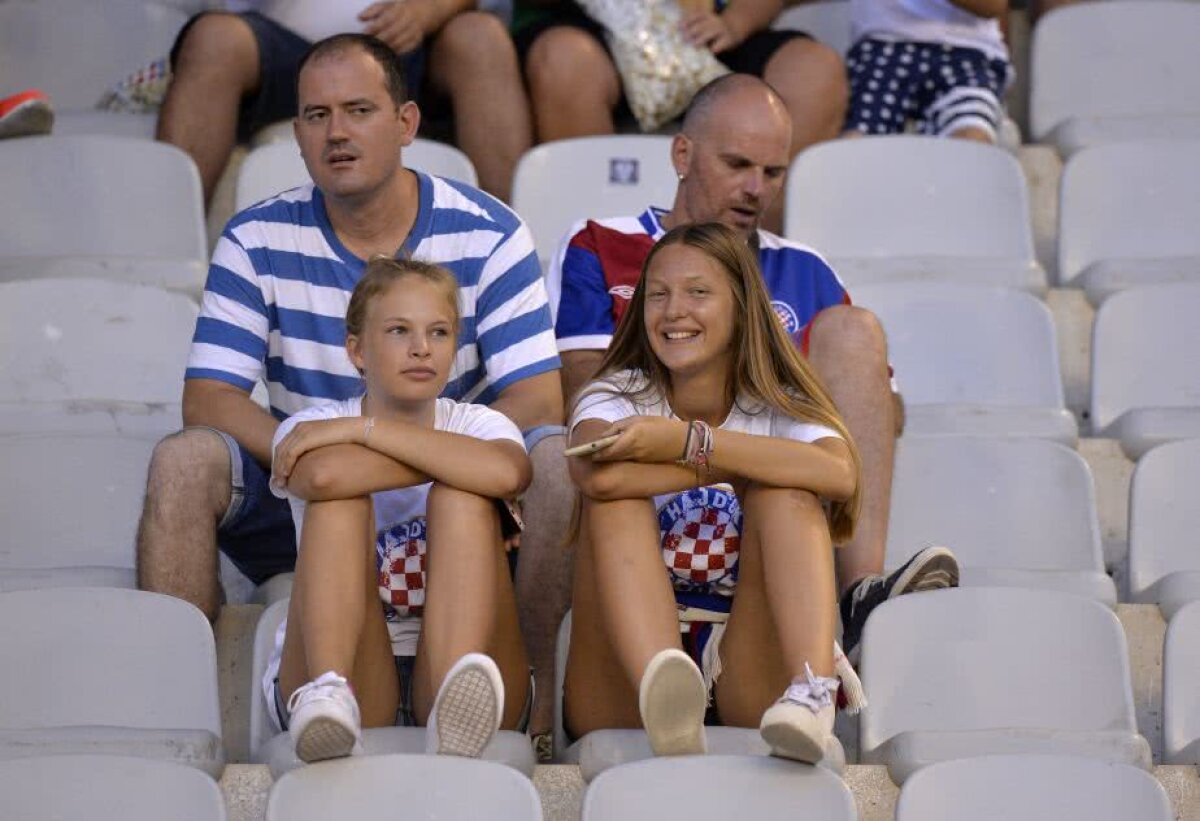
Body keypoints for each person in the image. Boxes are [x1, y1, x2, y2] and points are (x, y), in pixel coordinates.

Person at [136, 33, 565, 660]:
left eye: (359, 111)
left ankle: (535, 702)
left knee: (554, 461)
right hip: (305, 490)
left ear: (406, 122)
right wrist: (310, 457)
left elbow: (539, 398)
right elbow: (208, 400)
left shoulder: (491, 231)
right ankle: (176, 705)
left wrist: (375, 449)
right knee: (183, 462)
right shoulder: (254, 236)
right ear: (299, 134)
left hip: (463, 501)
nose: (337, 132)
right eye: (317, 115)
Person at [547, 74, 958, 662]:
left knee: (853, 331)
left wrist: (739, 424)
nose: (754, 189)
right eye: (737, 164)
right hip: (644, 503)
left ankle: (857, 594)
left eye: (773, 173)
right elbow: (583, 387)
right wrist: (751, 425)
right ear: (682, 154)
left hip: (774, 520)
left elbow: (880, 411)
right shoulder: (599, 242)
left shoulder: (805, 270)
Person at [565, 222, 861, 761]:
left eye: (698, 292)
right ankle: (665, 692)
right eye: (657, 294)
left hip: (750, 665)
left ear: (743, 306)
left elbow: (839, 473)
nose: (674, 310)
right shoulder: (617, 393)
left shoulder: (779, 403)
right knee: (615, 503)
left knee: (785, 494)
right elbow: (598, 474)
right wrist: (728, 463)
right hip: (623, 686)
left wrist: (686, 442)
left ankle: (810, 694)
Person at [264, 256, 530, 762]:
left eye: (439, 332)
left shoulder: (480, 423)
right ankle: (329, 692)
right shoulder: (313, 424)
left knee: (462, 497)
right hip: (351, 655)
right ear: (357, 350)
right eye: (398, 331)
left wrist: (362, 432)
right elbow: (322, 476)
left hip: (464, 661)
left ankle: (456, 704)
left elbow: (508, 474)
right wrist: (453, 460)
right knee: (340, 502)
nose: (420, 348)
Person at [158, 1, 531, 206]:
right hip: (285, 46)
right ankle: (166, 241)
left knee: (481, 37)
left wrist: (426, 10)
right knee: (214, 38)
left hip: (408, 48)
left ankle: (507, 239)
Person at [514, 0, 845, 229]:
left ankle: (752, 254)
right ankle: (605, 257)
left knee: (814, 70)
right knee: (564, 62)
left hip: (708, 33)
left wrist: (736, 22)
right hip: (590, 30)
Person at [842, 0, 1012, 143]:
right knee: (858, 145)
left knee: (971, 139)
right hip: (880, 47)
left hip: (967, 52)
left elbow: (993, 5)